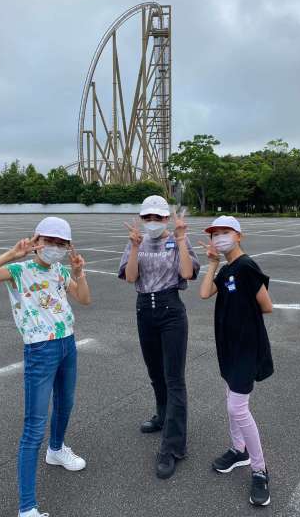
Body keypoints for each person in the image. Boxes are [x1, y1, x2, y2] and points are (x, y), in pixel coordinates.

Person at [0, 216, 91, 517]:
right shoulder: (19, 270)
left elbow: (84, 299)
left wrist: (79, 274)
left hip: (67, 342)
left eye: (61, 243)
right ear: (36, 240)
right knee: (34, 426)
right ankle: (27, 508)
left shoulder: (60, 270)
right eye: (49, 241)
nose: (54, 247)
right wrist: (11, 254)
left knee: (65, 404)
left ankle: (56, 450)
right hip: (40, 349)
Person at [118, 195, 200, 479]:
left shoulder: (177, 240)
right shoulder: (136, 241)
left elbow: (187, 273)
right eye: (148, 217)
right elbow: (131, 278)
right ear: (142, 218)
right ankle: (163, 416)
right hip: (144, 309)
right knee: (155, 373)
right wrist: (133, 247)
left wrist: (181, 238)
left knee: (174, 378)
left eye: (158, 217)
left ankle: (173, 447)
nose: (152, 222)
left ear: (167, 218)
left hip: (171, 310)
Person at [199, 215, 273, 507]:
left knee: (237, 407)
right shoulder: (228, 268)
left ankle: (259, 469)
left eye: (225, 232)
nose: (219, 237)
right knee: (231, 397)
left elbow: (266, 305)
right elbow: (205, 292)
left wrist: (242, 316)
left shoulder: (246, 266)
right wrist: (212, 263)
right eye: (215, 233)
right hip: (228, 346)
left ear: (238, 236)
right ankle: (238, 449)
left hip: (246, 347)